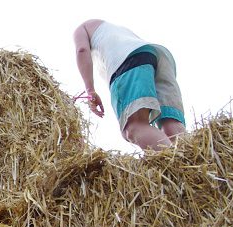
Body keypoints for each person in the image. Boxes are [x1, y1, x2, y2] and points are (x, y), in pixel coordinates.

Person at [73, 19, 186, 151]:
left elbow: (81, 50)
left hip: (130, 58)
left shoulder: (83, 28)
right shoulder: (112, 30)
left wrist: (90, 90)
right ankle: (193, 164)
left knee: (134, 126)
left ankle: (176, 166)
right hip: (160, 55)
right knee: (171, 123)